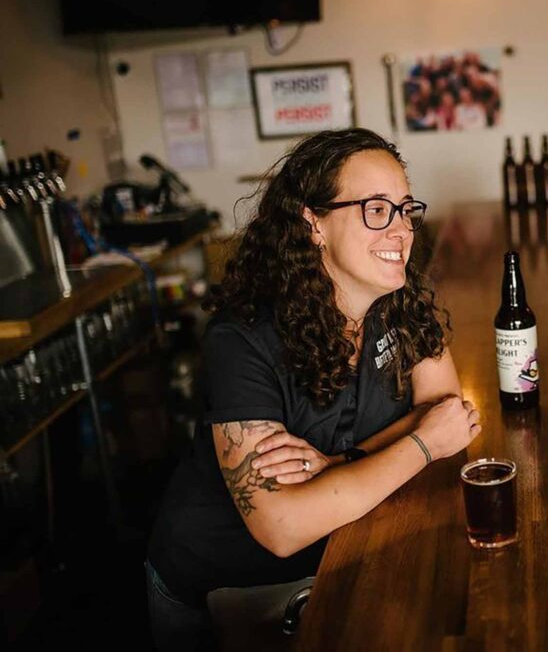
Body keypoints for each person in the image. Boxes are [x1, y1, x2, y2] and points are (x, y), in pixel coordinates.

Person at [145, 128, 481, 650]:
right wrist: (419, 443)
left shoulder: (401, 298)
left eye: (405, 208)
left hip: (338, 557)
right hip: (226, 583)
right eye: (375, 209)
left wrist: (340, 463)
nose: (401, 229)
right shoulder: (243, 338)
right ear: (313, 224)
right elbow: (282, 525)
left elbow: (447, 415)